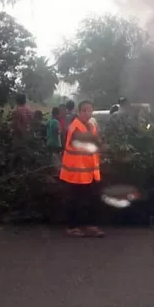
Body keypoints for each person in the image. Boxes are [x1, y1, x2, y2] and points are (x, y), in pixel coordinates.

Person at [60, 100, 105, 238]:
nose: (87, 113)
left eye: (89, 110)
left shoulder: (91, 126)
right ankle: (72, 227)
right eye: (84, 110)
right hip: (75, 172)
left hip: (89, 172)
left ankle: (90, 226)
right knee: (75, 200)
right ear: (79, 112)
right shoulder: (75, 127)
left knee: (91, 199)